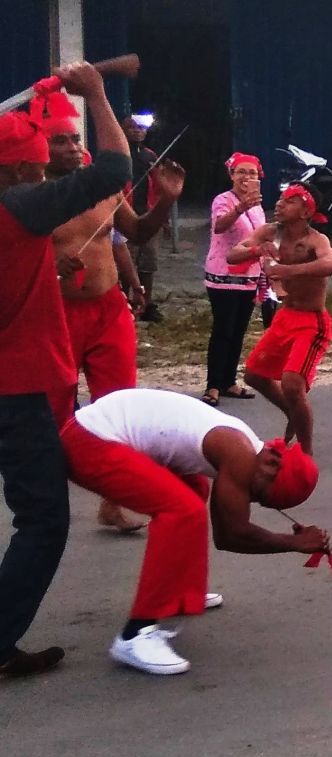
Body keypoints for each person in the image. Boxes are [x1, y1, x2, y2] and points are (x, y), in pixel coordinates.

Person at [0, 62, 131, 677]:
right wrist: (98, 94)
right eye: (35, 158)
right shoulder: (23, 208)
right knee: (43, 521)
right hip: (17, 387)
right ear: (25, 167)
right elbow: (113, 170)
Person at [59, 388, 324, 675]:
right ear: (271, 464)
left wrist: (291, 539)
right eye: (258, 495)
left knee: (193, 489)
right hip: (88, 440)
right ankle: (136, 635)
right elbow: (230, 536)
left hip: (94, 429)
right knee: (183, 510)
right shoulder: (239, 455)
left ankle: (182, 592)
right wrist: (294, 543)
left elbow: (229, 525)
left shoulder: (248, 447)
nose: (249, 500)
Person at [34, 96, 182, 534]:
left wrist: (166, 202)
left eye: (74, 138)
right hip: (57, 315)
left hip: (109, 310)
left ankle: (112, 502)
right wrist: (48, 268)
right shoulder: (30, 197)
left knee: (120, 407)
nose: (70, 147)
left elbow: (126, 234)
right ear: (40, 150)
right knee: (54, 414)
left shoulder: (102, 184)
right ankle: (46, 504)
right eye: (58, 141)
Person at [229, 182, 332, 455]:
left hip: (311, 321)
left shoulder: (315, 240)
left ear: (305, 212)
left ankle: (306, 453)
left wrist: (288, 271)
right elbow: (233, 255)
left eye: (289, 201)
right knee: (255, 375)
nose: (279, 204)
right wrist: (258, 250)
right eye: (280, 198)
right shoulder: (270, 232)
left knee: (292, 384)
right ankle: (293, 414)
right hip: (285, 317)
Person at [201, 152, 266, 407]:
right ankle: (213, 385)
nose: (246, 177)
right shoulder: (223, 200)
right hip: (223, 277)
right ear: (231, 175)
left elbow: (260, 235)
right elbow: (220, 226)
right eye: (241, 172)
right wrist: (241, 207)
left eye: (251, 173)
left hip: (249, 275)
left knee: (238, 331)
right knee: (223, 331)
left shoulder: (259, 207)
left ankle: (229, 381)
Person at [122, 113, 164, 322]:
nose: (138, 131)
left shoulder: (150, 155)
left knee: (148, 263)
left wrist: (161, 216)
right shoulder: (117, 153)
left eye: (141, 128)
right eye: (132, 128)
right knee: (124, 262)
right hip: (123, 217)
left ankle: (147, 304)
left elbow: (159, 187)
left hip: (147, 214)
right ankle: (123, 303)